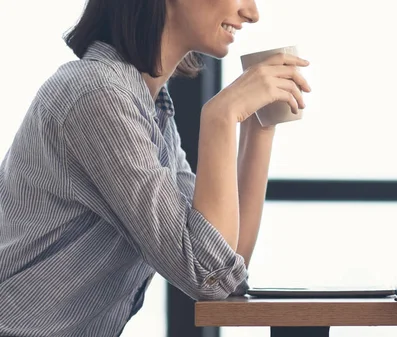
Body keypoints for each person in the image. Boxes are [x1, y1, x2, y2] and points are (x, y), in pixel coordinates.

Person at [0, 0, 311, 335]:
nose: (252, 13)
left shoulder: (149, 109)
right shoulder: (98, 96)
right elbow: (207, 275)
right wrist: (221, 116)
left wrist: (259, 127)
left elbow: (224, 266)